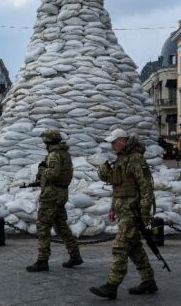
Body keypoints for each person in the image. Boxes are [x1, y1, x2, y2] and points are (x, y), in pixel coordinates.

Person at [89, 128, 157, 300]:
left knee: (119, 247)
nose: (112, 145)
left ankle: (112, 285)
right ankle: (148, 281)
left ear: (123, 141)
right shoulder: (121, 159)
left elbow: (146, 188)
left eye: (114, 142)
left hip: (133, 213)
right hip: (123, 210)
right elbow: (118, 187)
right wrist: (113, 208)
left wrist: (144, 214)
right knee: (134, 249)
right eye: (111, 143)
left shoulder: (135, 159)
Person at [26, 129, 83, 272]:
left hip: (51, 195)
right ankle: (75, 255)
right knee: (60, 226)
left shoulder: (54, 155)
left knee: (43, 227)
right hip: (61, 193)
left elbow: (53, 174)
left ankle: (42, 260)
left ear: (48, 141)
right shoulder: (64, 153)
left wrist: (41, 170)